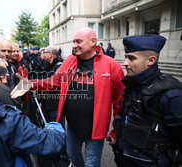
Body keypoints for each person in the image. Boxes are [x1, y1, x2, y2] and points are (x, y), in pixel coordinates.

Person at [11, 27, 125, 167]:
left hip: (96, 129)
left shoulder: (112, 66)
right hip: (72, 125)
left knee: (92, 164)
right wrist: (31, 84)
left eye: (79, 41)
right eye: (73, 41)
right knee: (72, 154)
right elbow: (55, 81)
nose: (74, 45)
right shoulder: (70, 61)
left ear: (93, 42)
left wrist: (115, 131)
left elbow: (120, 102)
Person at [112, 34, 182, 167]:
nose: (125, 63)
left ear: (151, 60)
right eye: (126, 57)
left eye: (131, 58)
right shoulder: (131, 87)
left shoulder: (171, 94)